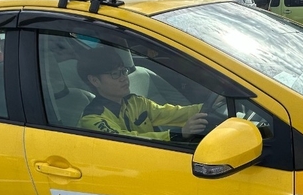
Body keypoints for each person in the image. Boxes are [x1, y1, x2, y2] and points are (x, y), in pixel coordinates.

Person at [77, 45, 209, 141]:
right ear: (95, 80)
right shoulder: (92, 119)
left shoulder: (136, 102)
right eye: (115, 74)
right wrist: (179, 133)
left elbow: (171, 113)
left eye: (123, 71)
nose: (123, 78)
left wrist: (207, 107)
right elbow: (126, 141)